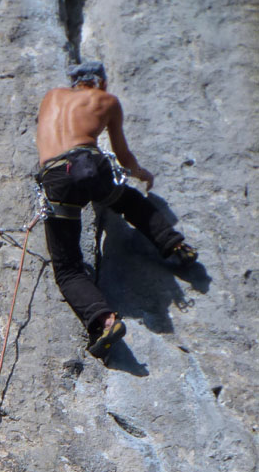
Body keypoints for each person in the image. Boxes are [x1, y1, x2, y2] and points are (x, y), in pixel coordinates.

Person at [36, 60, 197, 358]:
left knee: (68, 268)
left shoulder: (51, 96)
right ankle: (175, 244)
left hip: (57, 177)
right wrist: (141, 173)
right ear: (101, 82)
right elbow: (123, 156)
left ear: (74, 81)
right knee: (128, 200)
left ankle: (105, 321)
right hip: (90, 166)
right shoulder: (107, 101)